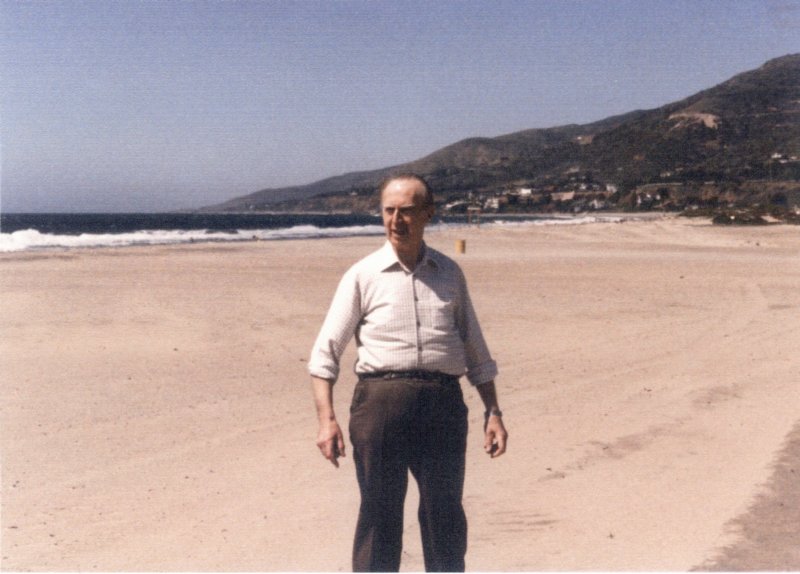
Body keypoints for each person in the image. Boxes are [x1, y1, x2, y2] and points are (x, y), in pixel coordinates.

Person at [308, 173, 508, 572]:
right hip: (380, 405)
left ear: (428, 214)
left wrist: (494, 412)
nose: (397, 219)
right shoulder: (361, 275)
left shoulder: (449, 273)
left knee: (444, 516)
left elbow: (474, 347)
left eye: (408, 211)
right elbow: (325, 353)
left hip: (443, 405)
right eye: (389, 210)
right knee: (380, 517)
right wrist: (326, 420)